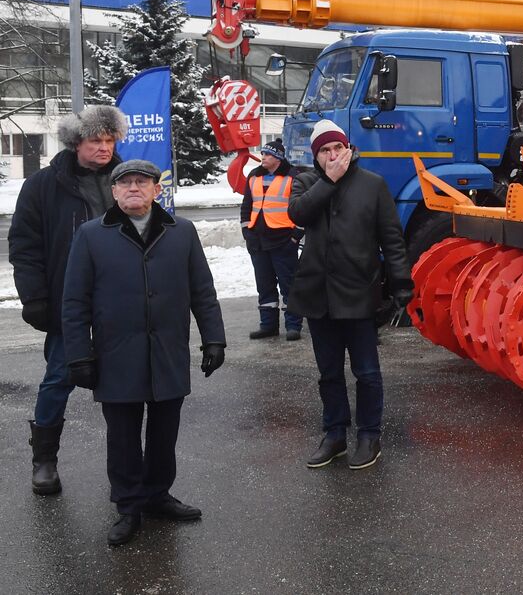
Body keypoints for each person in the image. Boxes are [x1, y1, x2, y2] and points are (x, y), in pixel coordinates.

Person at [61, 159, 226, 547]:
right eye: (126, 182)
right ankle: (129, 505)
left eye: (143, 182)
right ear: (114, 192)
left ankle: (156, 495)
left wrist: (214, 338)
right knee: (122, 435)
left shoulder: (181, 232)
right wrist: (79, 355)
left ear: (156, 190)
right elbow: (74, 302)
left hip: (168, 352)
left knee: (164, 432)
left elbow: (202, 290)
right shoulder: (91, 235)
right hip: (115, 355)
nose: (134, 188)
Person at [8, 104, 126, 496]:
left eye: (109, 140)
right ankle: (44, 460)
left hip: (120, 301)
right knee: (59, 378)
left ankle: (127, 471)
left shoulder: (127, 180)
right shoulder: (43, 184)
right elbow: (24, 246)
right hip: (68, 302)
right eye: (96, 140)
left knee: (125, 384)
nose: (104, 148)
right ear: (77, 143)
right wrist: (35, 297)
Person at [289, 120, 412, 471]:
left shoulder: (372, 185)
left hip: (358, 291)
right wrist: (328, 181)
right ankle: (335, 433)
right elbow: (298, 213)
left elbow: (392, 239)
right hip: (317, 295)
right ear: (316, 156)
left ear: (348, 149)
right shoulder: (306, 182)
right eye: (325, 151)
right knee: (328, 373)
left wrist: (401, 283)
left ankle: (369, 434)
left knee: (367, 372)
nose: (332, 156)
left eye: (337, 148)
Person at [242, 139, 304, 340]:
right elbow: (246, 206)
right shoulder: (254, 176)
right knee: (264, 285)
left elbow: (302, 209)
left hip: (283, 239)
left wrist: (296, 236)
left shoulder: (293, 176)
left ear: (278, 157)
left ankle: (293, 326)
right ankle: (268, 326)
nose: (263, 157)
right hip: (258, 240)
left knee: (289, 284)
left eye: (267, 154)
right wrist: (246, 232)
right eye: (262, 154)